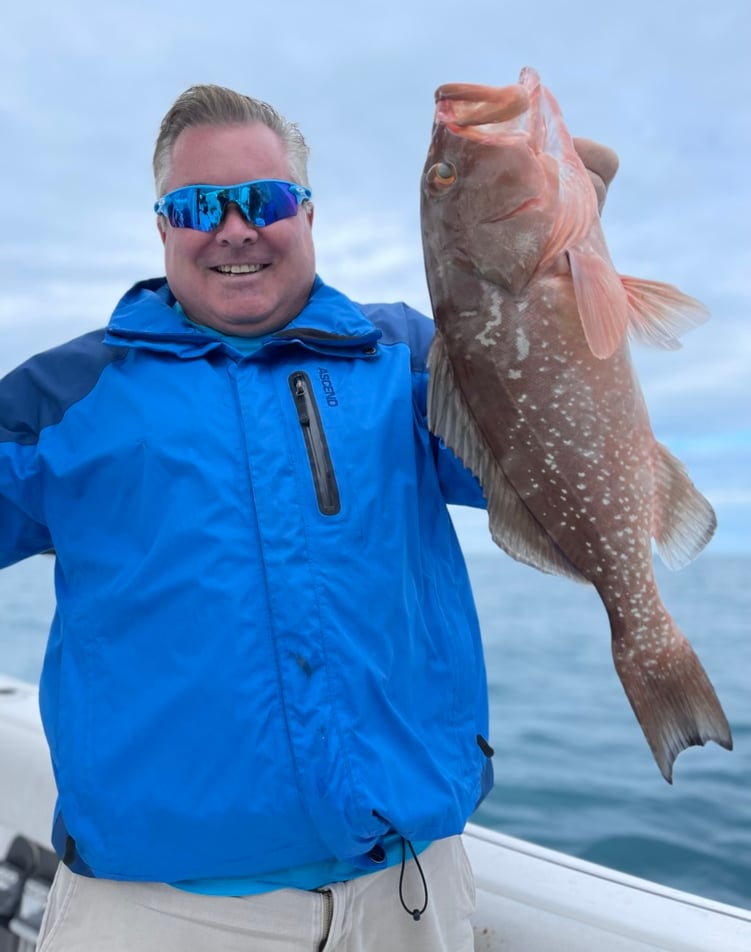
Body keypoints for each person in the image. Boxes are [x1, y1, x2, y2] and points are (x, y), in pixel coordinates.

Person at [0, 85, 617, 952]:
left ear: (308, 212)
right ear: (162, 228)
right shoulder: (66, 396)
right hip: (155, 911)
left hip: (406, 894)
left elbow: (550, 454)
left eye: (265, 199)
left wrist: (555, 261)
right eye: (196, 206)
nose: (234, 226)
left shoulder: (405, 356)